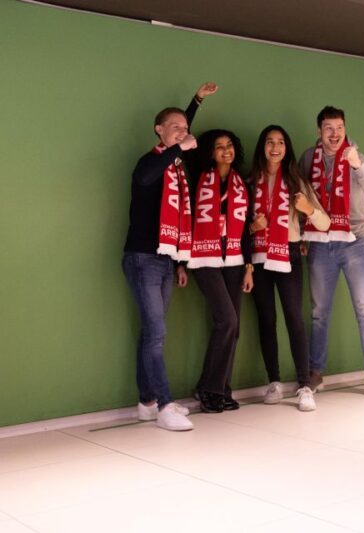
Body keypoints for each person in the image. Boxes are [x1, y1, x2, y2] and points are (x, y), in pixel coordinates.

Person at [123, 82, 218, 431]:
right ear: (158, 130)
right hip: (141, 258)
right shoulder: (151, 162)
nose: (182, 131)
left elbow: (176, 219)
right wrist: (177, 145)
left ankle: (146, 403)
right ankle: (164, 405)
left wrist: (196, 103)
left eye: (185, 128)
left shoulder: (176, 167)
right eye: (174, 127)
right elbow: (152, 172)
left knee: (152, 332)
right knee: (156, 333)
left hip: (165, 259)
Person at [298, 106, 364, 400]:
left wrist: (357, 167)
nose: (334, 134)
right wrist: (303, 233)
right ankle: (315, 373)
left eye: (339, 127)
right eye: (328, 128)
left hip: (355, 241)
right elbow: (300, 198)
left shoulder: (357, 157)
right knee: (318, 314)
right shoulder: (307, 159)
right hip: (320, 242)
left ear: (345, 129)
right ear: (319, 131)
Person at [248, 125, 330, 412]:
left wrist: (308, 209)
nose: (275, 147)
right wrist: (251, 227)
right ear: (262, 147)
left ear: (287, 147)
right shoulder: (250, 181)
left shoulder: (297, 180)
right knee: (266, 319)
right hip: (258, 257)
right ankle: (274, 382)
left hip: (290, 253)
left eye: (281, 142)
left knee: (294, 318)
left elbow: (325, 224)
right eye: (270, 142)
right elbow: (238, 226)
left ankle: (304, 386)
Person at [188, 129, 253, 413]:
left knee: (233, 327)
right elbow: (186, 218)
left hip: (235, 257)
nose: (225, 150)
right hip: (203, 255)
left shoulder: (243, 182)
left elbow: (248, 228)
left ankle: (222, 389)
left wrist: (249, 266)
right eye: (218, 147)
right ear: (209, 152)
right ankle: (208, 389)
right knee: (226, 320)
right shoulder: (198, 176)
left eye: (229, 145)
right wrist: (197, 100)